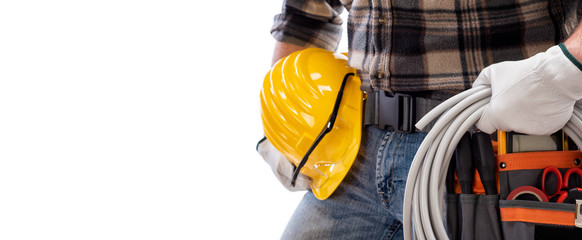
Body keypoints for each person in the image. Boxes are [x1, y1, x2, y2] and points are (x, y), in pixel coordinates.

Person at [269, 0, 582, 239]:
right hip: (353, 157)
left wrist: (560, 73)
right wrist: (285, 119)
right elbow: (305, 15)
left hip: (493, 146)